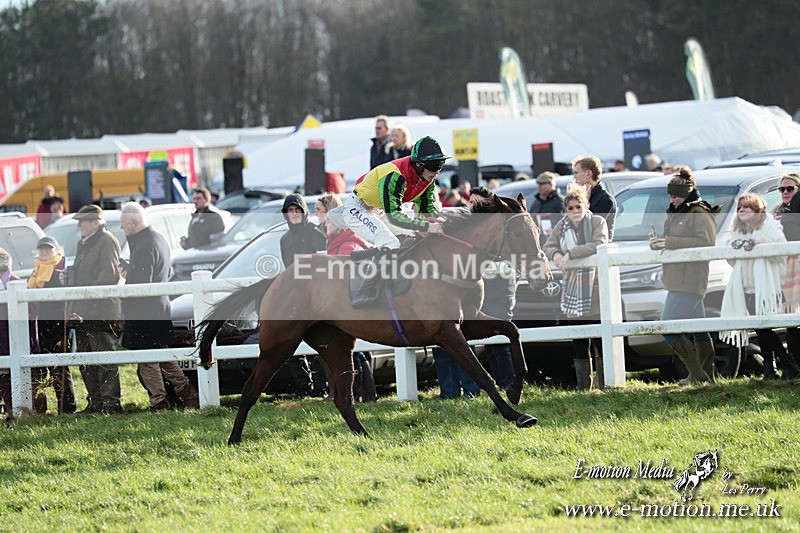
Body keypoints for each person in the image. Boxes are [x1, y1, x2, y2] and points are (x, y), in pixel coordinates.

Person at [119, 202, 200, 410]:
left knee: (147, 359)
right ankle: (188, 392)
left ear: (133, 222)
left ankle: (159, 401)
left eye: (123, 223)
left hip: (144, 310)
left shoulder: (144, 245)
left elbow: (141, 284)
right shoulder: (158, 239)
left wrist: (125, 299)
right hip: (158, 307)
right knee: (163, 356)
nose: (121, 227)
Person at [649, 167, 718, 385]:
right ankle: (706, 377)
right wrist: (659, 241)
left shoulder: (699, 212)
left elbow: (706, 242)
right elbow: (677, 240)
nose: (672, 199)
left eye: (675, 196)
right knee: (699, 330)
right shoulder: (677, 211)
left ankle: (698, 375)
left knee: (667, 328)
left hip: (690, 279)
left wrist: (669, 242)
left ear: (686, 193)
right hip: (678, 278)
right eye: (670, 196)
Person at [327, 136, 448, 253]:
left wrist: (438, 222)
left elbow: (426, 211)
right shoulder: (395, 175)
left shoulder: (427, 178)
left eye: (441, 164)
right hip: (358, 209)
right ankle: (369, 267)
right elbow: (394, 216)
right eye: (434, 165)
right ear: (418, 164)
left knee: (414, 239)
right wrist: (426, 226)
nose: (437, 171)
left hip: (381, 211)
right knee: (390, 244)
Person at [544, 184, 609, 390]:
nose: (575, 211)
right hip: (572, 288)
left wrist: (571, 254)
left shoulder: (597, 222)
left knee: (600, 340)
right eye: (570, 208)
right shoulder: (562, 226)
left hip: (595, 288)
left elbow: (599, 244)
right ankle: (584, 386)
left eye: (578, 206)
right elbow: (548, 245)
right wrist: (556, 255)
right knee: (579, 340)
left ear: (586, 205)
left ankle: (605, 384)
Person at [718, 194, 789, 380]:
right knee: (761, 329)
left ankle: (786, 365)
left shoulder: (770, 225)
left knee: (764, 328)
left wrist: (761, 242)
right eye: (739, 207)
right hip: (745, 287)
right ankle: (772, 369)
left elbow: (782, 251)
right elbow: (731, 257)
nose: (741, 210)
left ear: (757, 210)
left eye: (746, 207)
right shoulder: (738, 230)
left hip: (766, 287)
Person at [62, 204, 124, 413]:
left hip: (101, 311)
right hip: (84, 311)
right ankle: (96, 402)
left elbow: (110, 275)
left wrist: (86, 293)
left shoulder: (107, 240)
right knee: (86, 359)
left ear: (96, 222)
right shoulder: (85, 243)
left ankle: (110, 403)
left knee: (104, 359)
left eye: (83, 221)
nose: (79, 225)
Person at [279, 194, 328, 397]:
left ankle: (321, 387)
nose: (294, 214)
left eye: (297, 209)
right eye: (290, 210)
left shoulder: (316, 233)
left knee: (319, 340)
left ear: (304, 211)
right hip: (294, 297)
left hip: (317, 296)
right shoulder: (284, 239)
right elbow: (287, 268)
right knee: (290, 340)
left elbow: (325, 263)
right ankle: (303, 388)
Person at [27, 236, 76, 414]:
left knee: (59, 368)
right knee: (38, 368)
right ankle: (40, 409)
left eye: (48, 248)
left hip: (57, 325)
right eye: (42, 249)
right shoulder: (36, 272)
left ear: (56, 251)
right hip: (38, 326)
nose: (45, 251)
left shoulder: (62, 271)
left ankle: (67, 408)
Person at [0, 248, 46, 414]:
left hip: (19, 340)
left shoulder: (16, 283)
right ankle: (12, 411)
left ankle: (35, 412)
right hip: (5, 340)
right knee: (5, 378)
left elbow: (32, 311)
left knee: (26, 378)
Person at [779, 171, 800, 380]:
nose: (785, 192)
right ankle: (792, 362)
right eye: (782, 189)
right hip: (783, 269)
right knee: (790, 317)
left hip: (797, 267)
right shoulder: (776, 212)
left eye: (790, 188)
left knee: (795, 315)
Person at [572, 156, 617, 240]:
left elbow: (590, 228)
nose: (574, 177)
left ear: (588, 174)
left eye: (576, 173)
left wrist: (585, 204)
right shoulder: (581, 197)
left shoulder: (605, 200)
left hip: (598, 246)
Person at [530, 171, 564, 244]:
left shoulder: (560, 202)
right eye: (538, 184)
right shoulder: (535, 203)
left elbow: (567, 222)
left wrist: (555, 231)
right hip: (538, 242)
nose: (539, 186)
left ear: (551, 184)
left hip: (556, 242)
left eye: (542, 183)